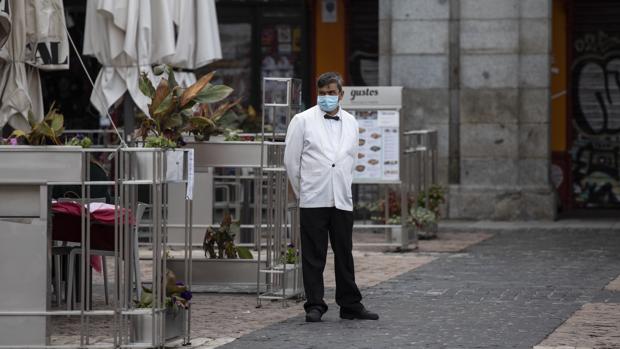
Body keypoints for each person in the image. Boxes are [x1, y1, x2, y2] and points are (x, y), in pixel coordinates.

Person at [283, 72, 379, 322]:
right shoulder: (302, 120)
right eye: (323, 93)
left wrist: (344, 184)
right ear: (318, 94)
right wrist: (303, 191)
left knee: (344, 252)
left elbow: (351, 159)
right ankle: (315, 304)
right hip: (313, 197)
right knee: (314, 255)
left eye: (331, 93)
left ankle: (350, 304)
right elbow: (291, 161)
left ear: (341, 94)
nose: (327, 97)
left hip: (341, 198)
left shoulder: (351, 122)